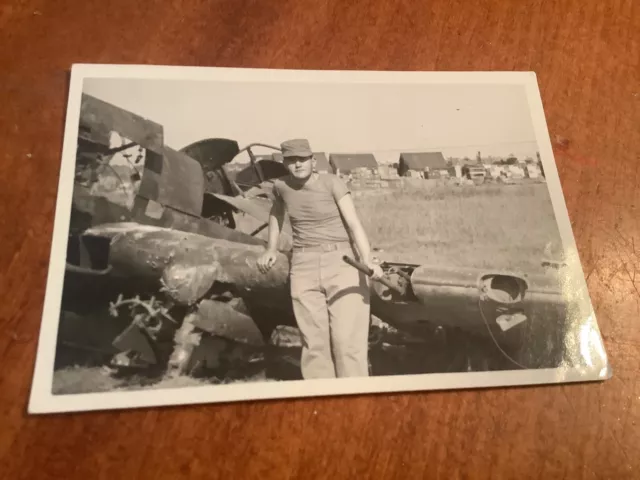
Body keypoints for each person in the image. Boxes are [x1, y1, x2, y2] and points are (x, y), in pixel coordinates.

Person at [257, 138, 383, 379]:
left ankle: (356, 402)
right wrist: (271, 249)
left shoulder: (331, 183)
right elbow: (276, 214)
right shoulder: (281, 187)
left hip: (343, 262)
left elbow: (354, 223)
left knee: (347, 343)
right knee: (314, 345)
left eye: (303, 159)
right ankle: (323, 402)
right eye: (292, 160)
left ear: (313, 161)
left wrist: (368, 259)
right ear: (285, 163)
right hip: (303, 265)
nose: (298, 165)